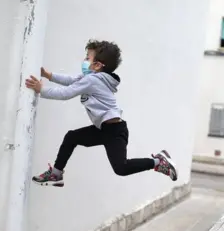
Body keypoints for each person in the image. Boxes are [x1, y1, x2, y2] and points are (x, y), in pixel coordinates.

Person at [24, 40, 177, 187]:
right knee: (71, 137)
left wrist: (41, 90)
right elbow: (71, 80)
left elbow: (65, 93)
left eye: (87, 58)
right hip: (103, 129)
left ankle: (158, 161)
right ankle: (56, 173)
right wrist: (49, 75)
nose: (84, 60)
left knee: (121, 168)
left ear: (97, 65)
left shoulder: (92, 80)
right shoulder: (90, 78)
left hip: (115, 131)